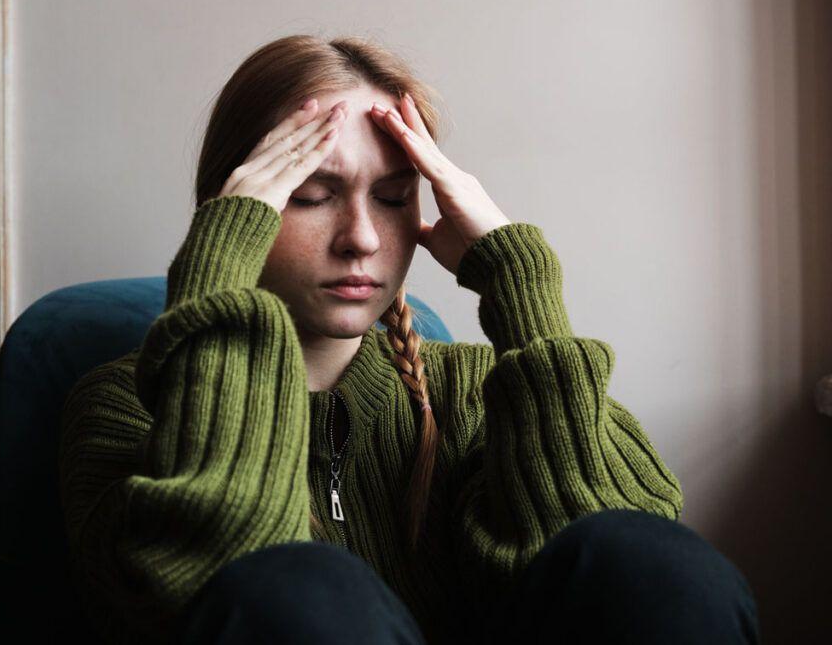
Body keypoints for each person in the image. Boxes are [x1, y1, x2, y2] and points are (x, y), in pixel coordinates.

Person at [58, 33, 759, 644]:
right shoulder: (125, 406)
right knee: (299, 589)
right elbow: (207, 584)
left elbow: (623, 579)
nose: (362, 237)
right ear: (239, 208)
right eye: (309, 193)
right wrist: (220, 278)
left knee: (644, 555)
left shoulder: (472, 391)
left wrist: (522, 286)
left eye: (394, 198)